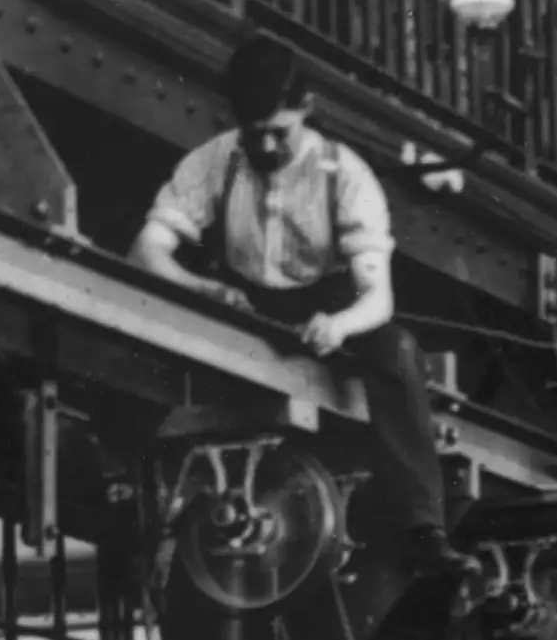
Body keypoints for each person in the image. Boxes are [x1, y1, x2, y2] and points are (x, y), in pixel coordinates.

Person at [128, 30, 449, 572]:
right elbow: (145, 251)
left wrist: (342, 325)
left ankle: (424, 529)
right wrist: (202, 289)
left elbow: (379, 299)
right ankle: (147, 510)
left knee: (397, 353)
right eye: (256, 135)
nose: (268, 148)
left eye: (280, 132)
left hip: (328, 308)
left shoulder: (345, 175)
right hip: (243, 304)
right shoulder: (214, 161)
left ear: (306, 109)